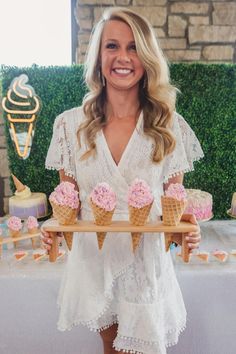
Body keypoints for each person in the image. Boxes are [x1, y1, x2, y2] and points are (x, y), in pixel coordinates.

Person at [42, 7, 203, 354]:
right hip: (94, 263)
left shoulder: (169, 126)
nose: (123, 57)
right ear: (98, 56)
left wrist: (188, 230)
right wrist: (53, 227)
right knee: (109, 345)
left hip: (145, 265)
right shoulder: (69, 127)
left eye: (134, 47)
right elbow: (66, 202)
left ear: (147, 58)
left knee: (143, 345)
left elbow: (173, 210)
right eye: (112, 46)